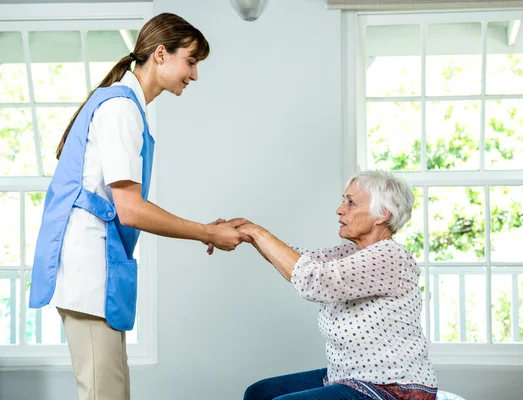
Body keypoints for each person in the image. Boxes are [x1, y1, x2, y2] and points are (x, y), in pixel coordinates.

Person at [28, 13, 247, 400]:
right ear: (161, 54)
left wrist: (205, 230)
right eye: (191, 62)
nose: (194, 75)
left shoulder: (125, 105)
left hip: (93, 274)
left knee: (112, 391)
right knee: (105, 394)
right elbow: (129, 209)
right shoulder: (121, 110)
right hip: (88, 275)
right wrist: (207, 233)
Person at [239, 170, 437, 400]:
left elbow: (313, 280)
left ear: (382, 214)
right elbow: (300, 260)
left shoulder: (391, 255)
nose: (340, 209)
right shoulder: (352, 253)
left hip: (392, 387)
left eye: (351, 202)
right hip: (349, 377)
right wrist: (248, 234)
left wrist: (255, 231)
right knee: (259, 393)